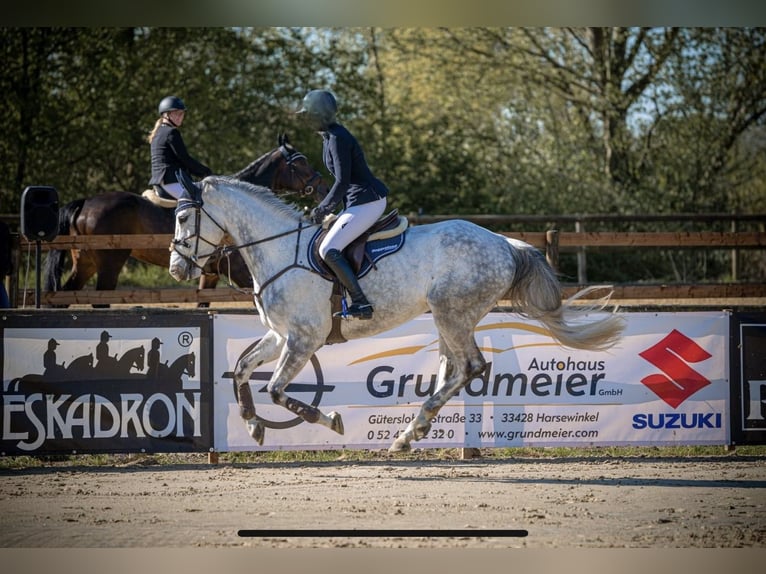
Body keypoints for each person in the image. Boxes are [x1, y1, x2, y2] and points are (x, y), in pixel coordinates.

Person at [297, 89, 388, 320]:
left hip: (368, 202)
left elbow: (342, 181)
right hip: (356, 202)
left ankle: (360, 302)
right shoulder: (328, 136)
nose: (306, 119)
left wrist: (324, 208)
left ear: (319, 114)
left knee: (328, 249)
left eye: (308, 114)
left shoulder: (338, 138)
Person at [147, 95, 212, 200]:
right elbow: (184, 158)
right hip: (170, 181)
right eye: (177, 114)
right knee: (202, 203)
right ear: (166, 115)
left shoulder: (158, 132)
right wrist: (206, 172)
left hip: (160, 182)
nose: (180, 117)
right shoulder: (171, 132)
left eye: (182, 114)